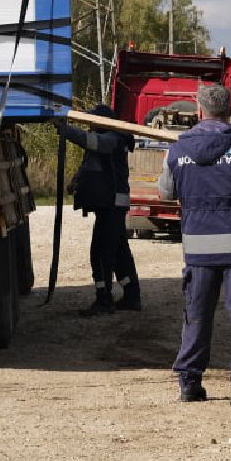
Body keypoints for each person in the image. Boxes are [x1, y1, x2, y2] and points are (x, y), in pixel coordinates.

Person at [158, 84, 231, 408]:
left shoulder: (177, 149)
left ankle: (190, 383)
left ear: (198, 111)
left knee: (196, 316)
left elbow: (165, 192)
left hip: (198, 248)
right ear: (229, 110)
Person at [60, 104, 141, 317]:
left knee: (101, 252)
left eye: (93, 121)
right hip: (110, 205)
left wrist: (66, 130)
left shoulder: (113, 138)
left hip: (112, 204)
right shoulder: (109, 136)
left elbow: (97, 145)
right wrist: (77, 180)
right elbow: (91, 161)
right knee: (119, 251)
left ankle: (104, 300)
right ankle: (132, 296)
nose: (90, 125)